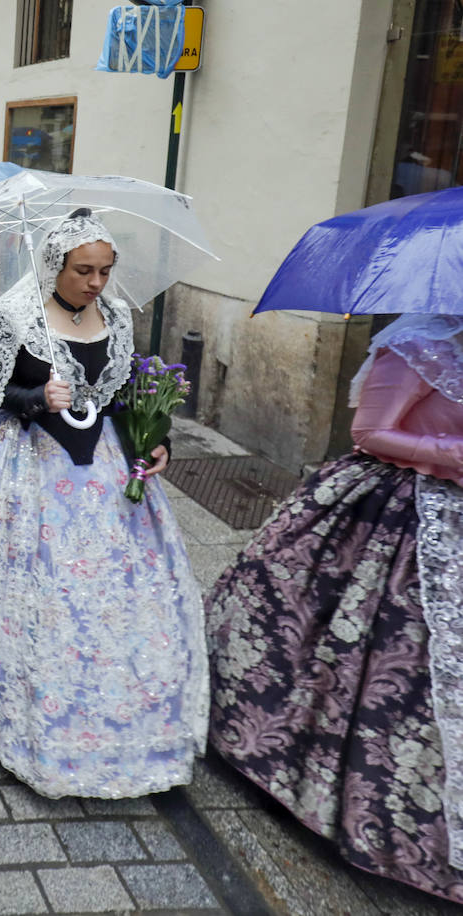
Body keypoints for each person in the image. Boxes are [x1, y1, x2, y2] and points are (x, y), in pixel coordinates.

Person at [0, 210, 208, 799]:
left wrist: (157, 438)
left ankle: (123, 713)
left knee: (116, 594)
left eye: (104, 271)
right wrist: (36, 395)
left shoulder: (114, 315)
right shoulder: (13, 318)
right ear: (54, 266)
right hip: (30, 468)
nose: (95, 283)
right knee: (43, 587)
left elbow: (123, 392)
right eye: (83, 271)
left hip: (106, 471)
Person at [206, 315, 463, 903]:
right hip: (390, 514)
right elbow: (371, 434)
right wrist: (452, 452)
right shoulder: (413, 347)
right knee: (354, 648)